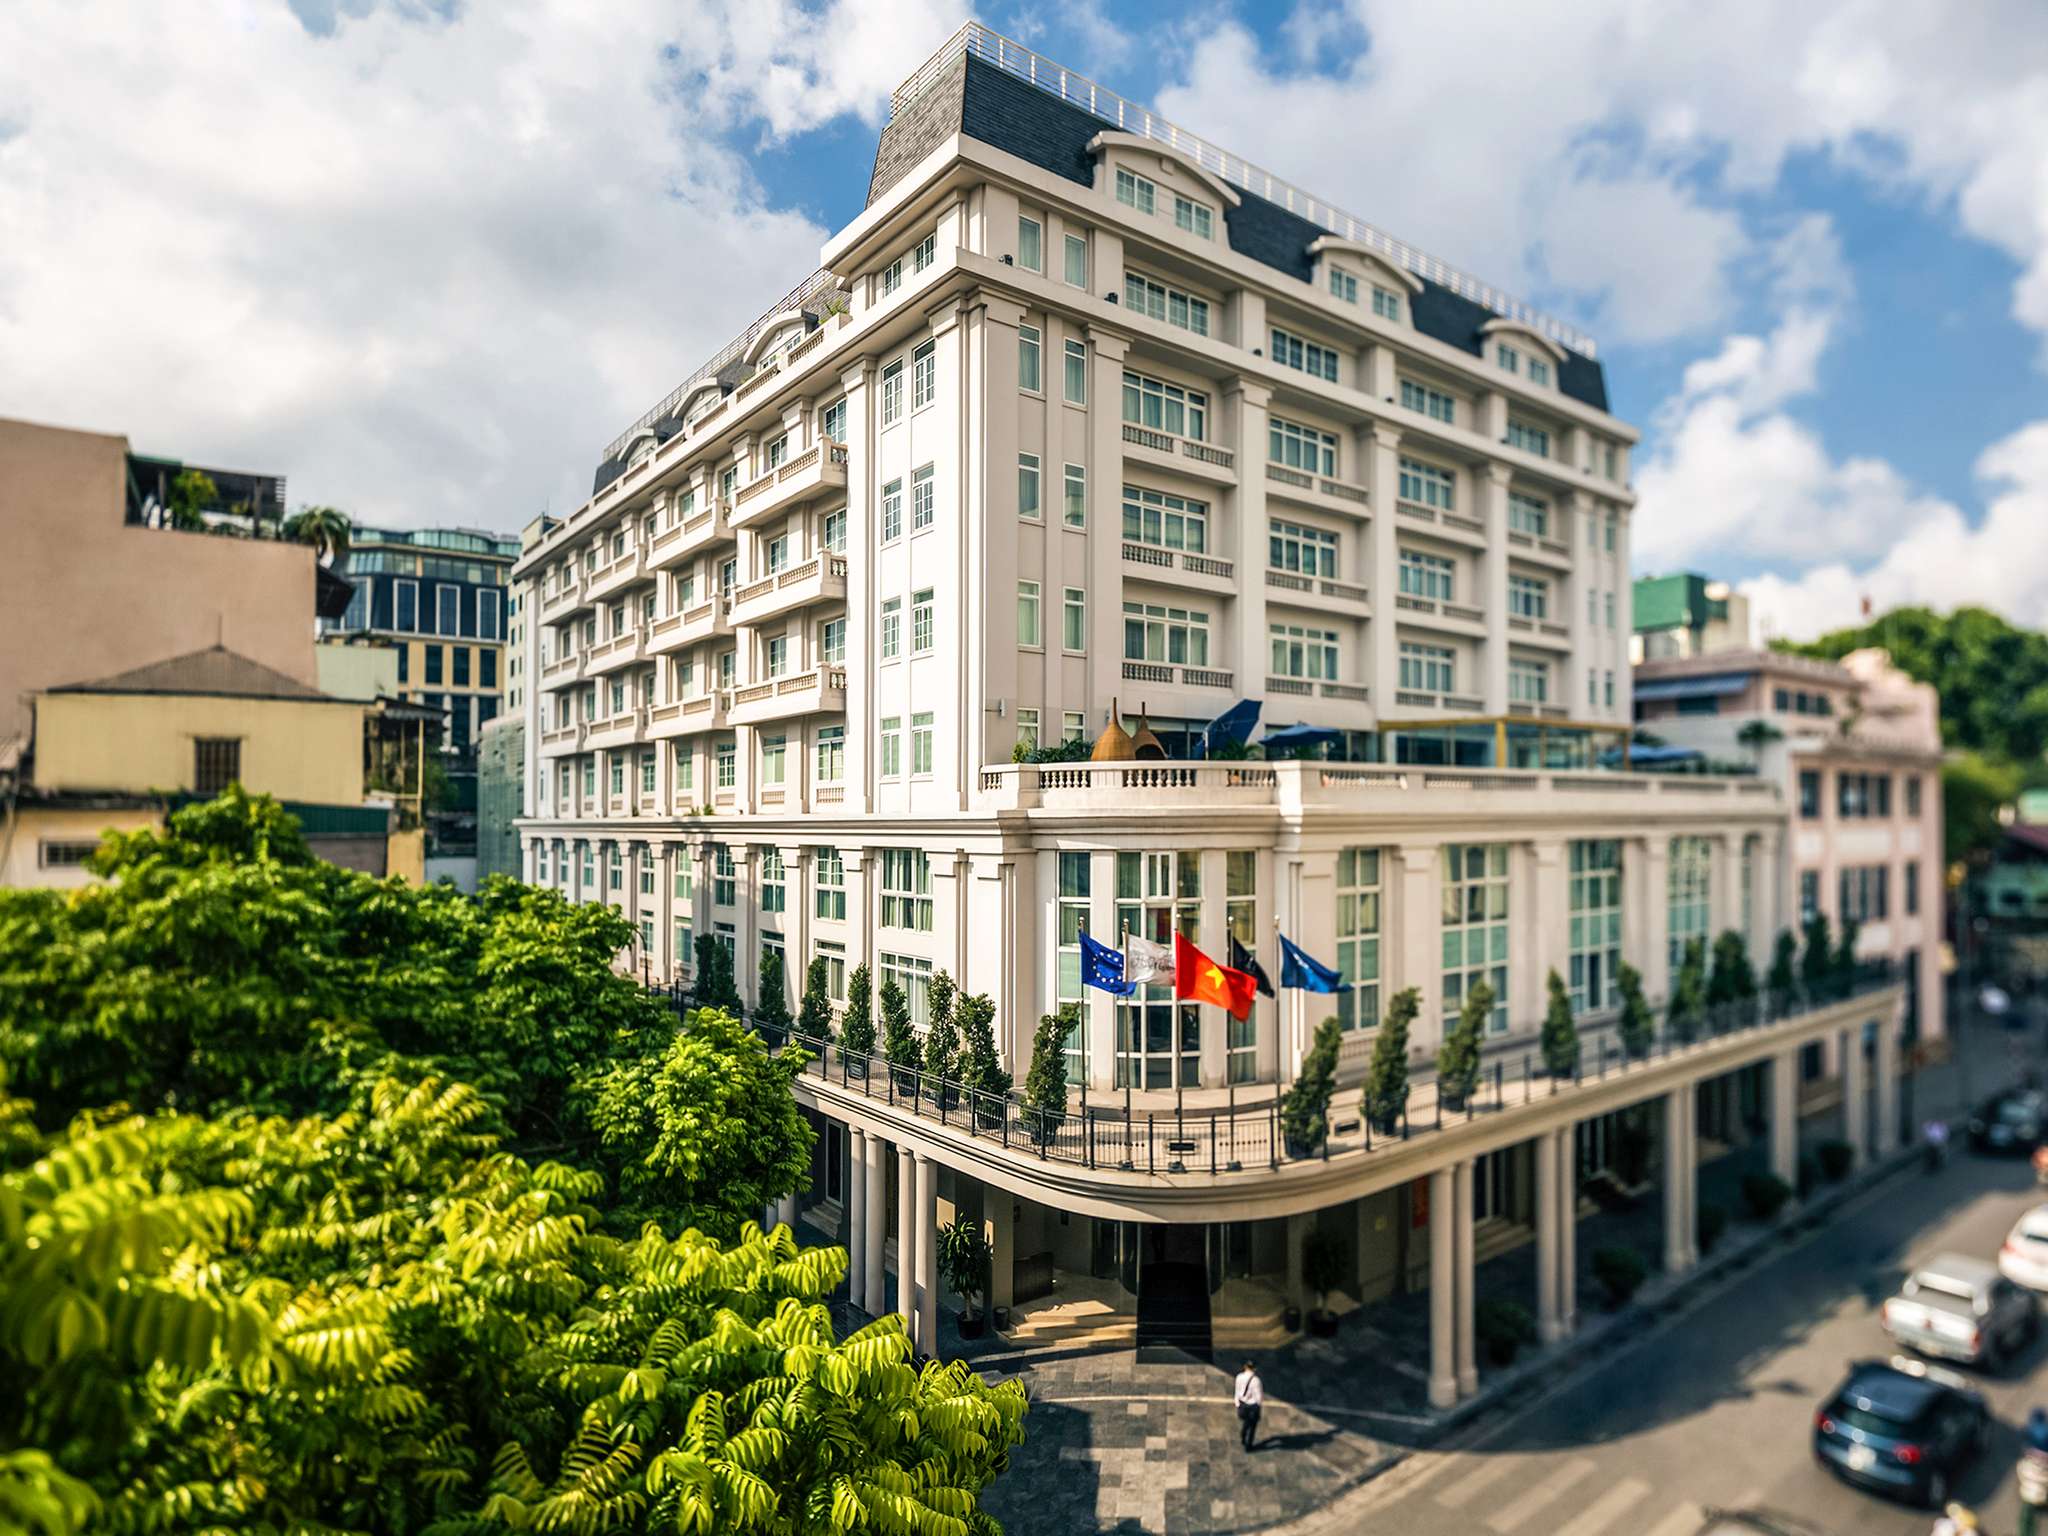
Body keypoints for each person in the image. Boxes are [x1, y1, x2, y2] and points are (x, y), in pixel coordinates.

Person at [1234, 1360, 1263, 1452]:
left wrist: (1237, 1403)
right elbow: (1258, 1397)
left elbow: (1237, 1391)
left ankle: (1243, 1437)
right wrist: (1258, 1406)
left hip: (1242, 1405)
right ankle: (1248, 1446)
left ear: (1245, 1367)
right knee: (1252, 1427)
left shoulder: (1239, 1377)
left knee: (1246, 1422)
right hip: (1252, 1407)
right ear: (1255, 1368)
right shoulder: (1256, 1380)